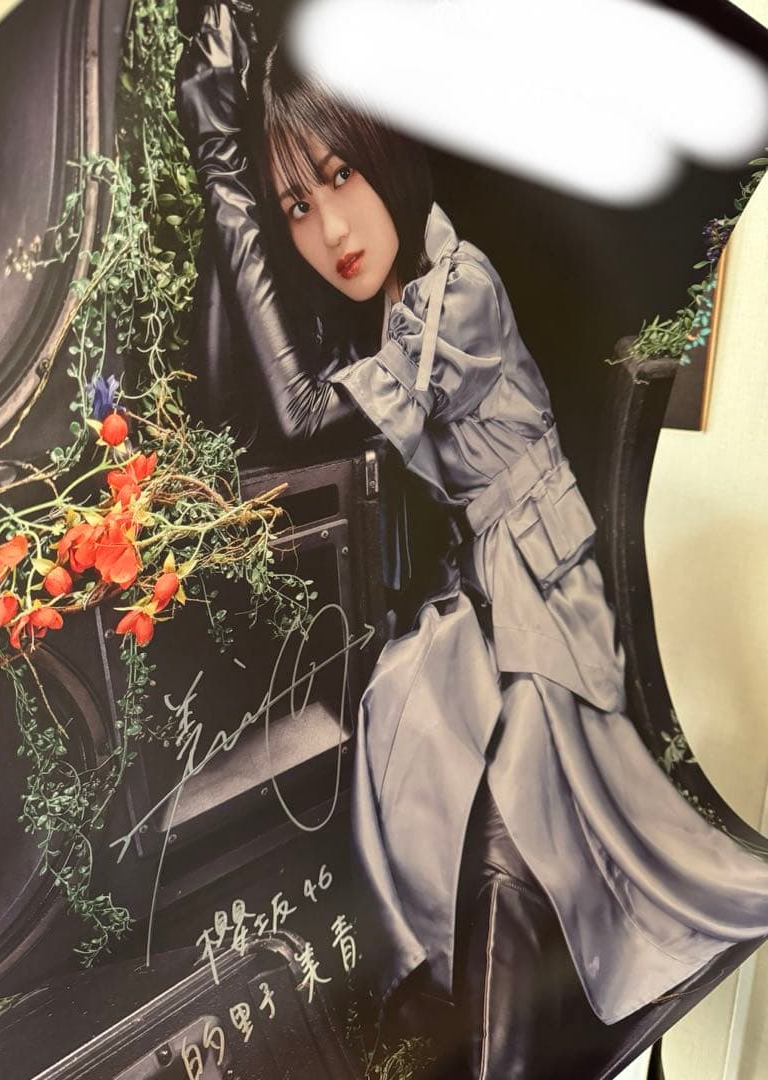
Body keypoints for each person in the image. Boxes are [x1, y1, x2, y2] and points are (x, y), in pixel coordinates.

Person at [176, 4, 768, 1076]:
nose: (330, 230)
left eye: (341, 176)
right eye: (296, 205)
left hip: (553, 600)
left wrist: (221, 146)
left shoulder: (462, 294)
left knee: (508, 843)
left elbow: (307, 412)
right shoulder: (402, 297)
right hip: (490, 596)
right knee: (401, 724)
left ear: (386, 157)